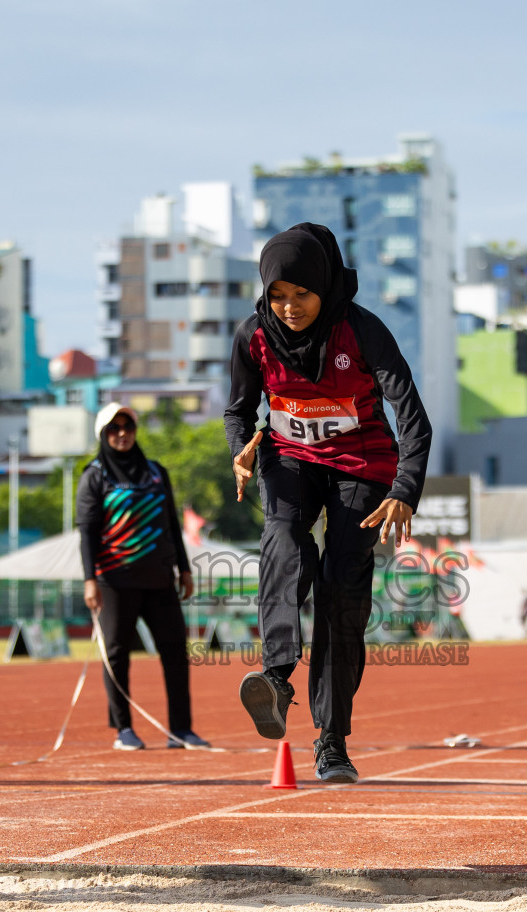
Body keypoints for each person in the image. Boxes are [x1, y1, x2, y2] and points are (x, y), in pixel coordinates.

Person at [224, 222, 432, 782]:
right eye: (278, 296)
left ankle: (332, 739)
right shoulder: (253, 337)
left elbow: (412, 417)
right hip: (290, 460)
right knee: (284, 538)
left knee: (341, 586)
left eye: (303, 295)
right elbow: (238, 412)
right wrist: (238, 452)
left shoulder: (362, 330)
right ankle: (275, 676)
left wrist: (404, 490)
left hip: (362, 465)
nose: (290, 307)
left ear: (325, 286)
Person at [77, 402, 208, 751]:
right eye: (114, 429)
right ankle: (124, 730)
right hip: (114, 580)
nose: (122, 434)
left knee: (175, 653)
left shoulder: (155, 472)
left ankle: (181, 730)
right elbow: (87, 532)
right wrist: (89, 579)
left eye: (128, 427)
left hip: (159, 579)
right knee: (117, 654)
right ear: (103, 435)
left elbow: (170, 524)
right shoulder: (95, 476)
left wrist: (183, 568)